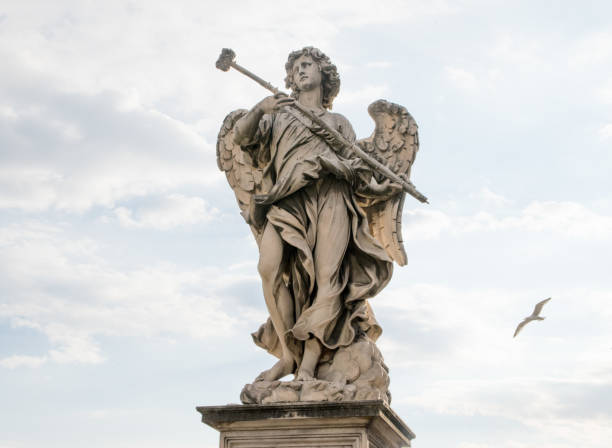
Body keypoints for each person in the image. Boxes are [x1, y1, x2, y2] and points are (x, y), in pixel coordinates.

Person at [233, 47, 394, 382]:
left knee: (326, 279)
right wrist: (260, 108)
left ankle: (309, 361)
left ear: (324, 75)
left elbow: (357, 172)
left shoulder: (338, 124)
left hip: (331, 198)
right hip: (287, 199)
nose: (300, 71)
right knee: (269, 268)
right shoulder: (277, 115)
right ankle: (289, 355)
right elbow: (243, 137)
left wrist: (378, 187)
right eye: (295, 68)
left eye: (307, 65)